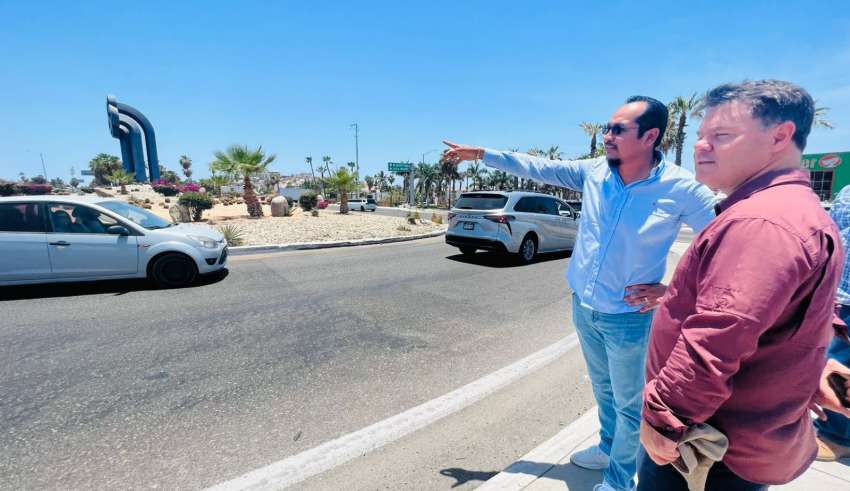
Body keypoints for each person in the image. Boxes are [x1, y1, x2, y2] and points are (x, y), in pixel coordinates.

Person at [444, 96, 716, 491]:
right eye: (607, 128)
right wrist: (484, 154)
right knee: (603, 389)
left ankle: (619, 481)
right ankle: (607, 447)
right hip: (584, 307)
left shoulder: (683, 188)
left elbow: (722, 246)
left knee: (629, 404)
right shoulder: (595, 172)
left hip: (629, 317)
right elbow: (538, 166)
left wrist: (672, 290)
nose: (607, 136)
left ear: (650, 136)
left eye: (618, 129)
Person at [639, 79, 850, 490]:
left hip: (707, 446)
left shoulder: (762, 222)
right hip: (739, 440)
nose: (701, 146)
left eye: (721, 136)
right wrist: (811, 372)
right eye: (701, 135)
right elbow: (783, 321)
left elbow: (716, 338)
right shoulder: (793, 209)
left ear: (780, 136)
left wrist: (663, 418)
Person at [815, 184, 850, 461]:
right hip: (841, 295)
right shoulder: (847, 192)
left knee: (839, 366)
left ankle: (837, 437)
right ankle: (835, 431)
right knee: (836, 366)